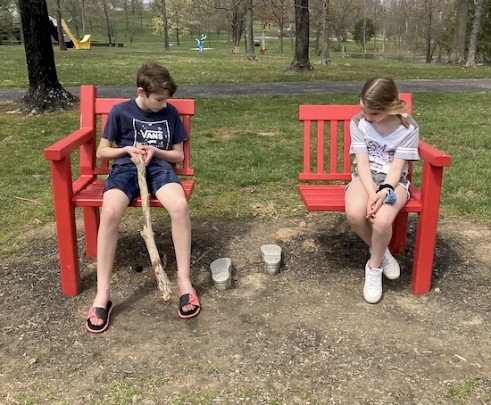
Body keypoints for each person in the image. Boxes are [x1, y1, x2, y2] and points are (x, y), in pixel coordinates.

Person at [86, 62, 200, 333]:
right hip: (126, 170)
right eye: (159, 99)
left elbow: (178, 155)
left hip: (159, 170)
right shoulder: (120, 112)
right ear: (142, 91)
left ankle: (184, 281)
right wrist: (126, 150)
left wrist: (154, 152)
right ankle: (103, 294)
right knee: (110, 212)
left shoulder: (169, 114)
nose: (164, 104)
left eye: (167, 99)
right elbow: (103, 152)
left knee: (180, 207)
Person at [345, 77, 420, 304]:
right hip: (366, 179)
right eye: (364, 111)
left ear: (390, 107)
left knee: (382, 221)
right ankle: (381, 251)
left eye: (374, 114)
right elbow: (363, 164)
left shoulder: (409, 128)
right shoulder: (359, 123)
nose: (368, 117)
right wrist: (371, 193)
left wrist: (385, 189)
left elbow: (397, 168)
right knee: (355, 214)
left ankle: (374, 267)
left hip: (394, 182)